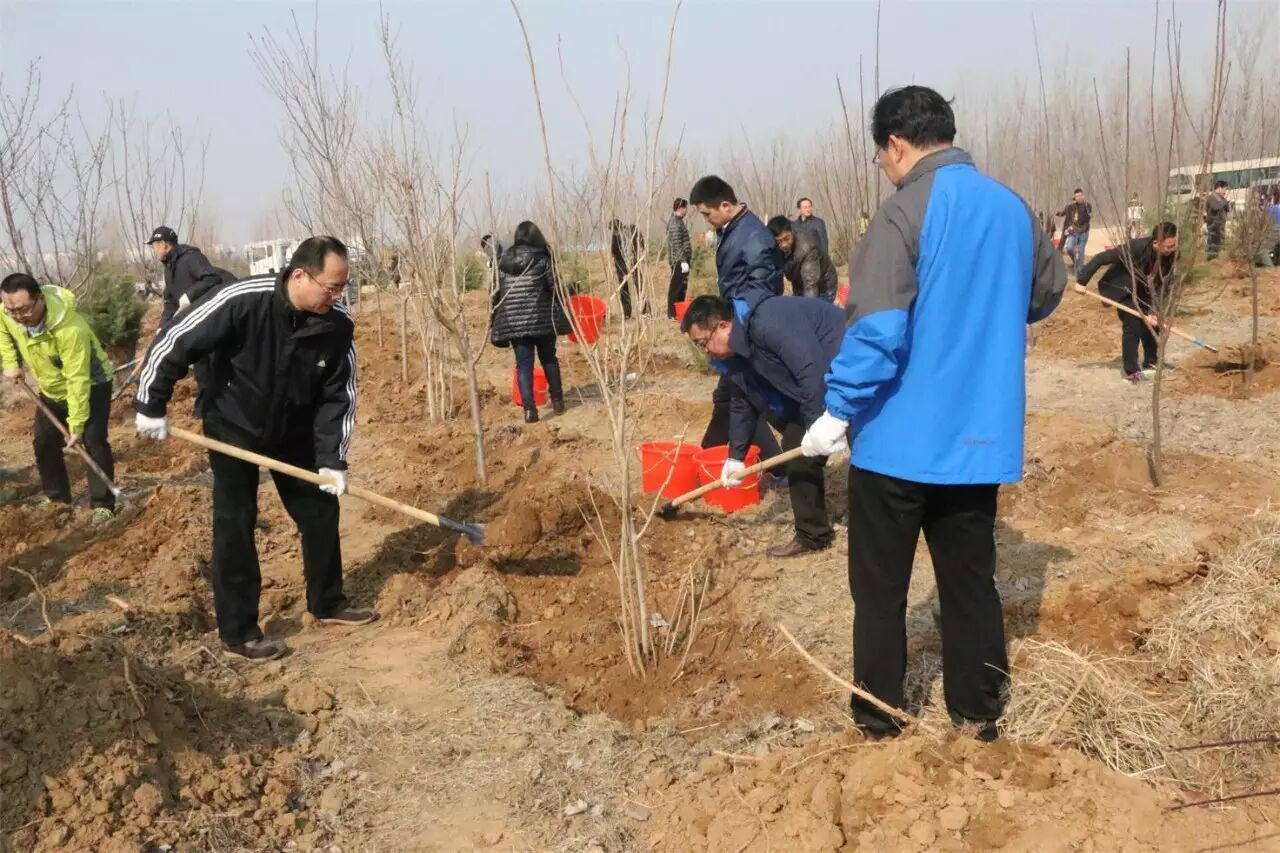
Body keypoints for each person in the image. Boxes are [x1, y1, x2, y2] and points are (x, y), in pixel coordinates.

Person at [800, 86, 1065, 740]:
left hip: (897, 443)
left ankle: (880, 716)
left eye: (880, 156)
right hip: (976, 439)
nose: (885, 168)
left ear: (895, 143)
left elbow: (878, 331)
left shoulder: (900, 215)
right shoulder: (1013, 211)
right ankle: (978, 712)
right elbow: (1048, 291)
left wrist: (837, 412)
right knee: (972, 583)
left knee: (881, 592)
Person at [133, 236, 376, 662]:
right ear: (299, 275)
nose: (338, 297)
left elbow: (339, 395)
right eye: (332, 287)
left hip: (293, 430)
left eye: (343, 288)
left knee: (320, 512)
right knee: (235, 521)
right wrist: (151, 403)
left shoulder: (336, 323)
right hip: (232, 424)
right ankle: (239, 631)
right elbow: (177, 339)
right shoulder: (243, 300)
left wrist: (332, 459)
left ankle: (328, 601)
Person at [682, 293, 844, 557]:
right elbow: (741, 403)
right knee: (795, 445)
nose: (705, 351)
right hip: (812, 386)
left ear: (723, 325)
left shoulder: (769, 320)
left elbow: (810, 368)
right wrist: (736, 457)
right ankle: (813, 535)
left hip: (845, 366)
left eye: (703, 343)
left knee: (866, 450)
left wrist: (817, 423)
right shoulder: (732, 357)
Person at [0, 273, 117, 523]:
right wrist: (11, 362)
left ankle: (103, 503)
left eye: (23, 310)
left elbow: (78, 380)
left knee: (93, 441)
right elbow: (2, 327)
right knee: (43, 442)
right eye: (12, 311)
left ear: (40, 299)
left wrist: (75, 427)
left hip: (91, 383)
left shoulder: (69, 329)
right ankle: (57, 498)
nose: (18, 317)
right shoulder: (8, 313)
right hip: (50, 387)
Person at [689, 175, 786, 459]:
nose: (706, 220)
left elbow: (765, 286)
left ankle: (775, 466)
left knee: (741, 395)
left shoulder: (754, 236)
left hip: (746, 327)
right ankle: (713, 454)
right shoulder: (733, 230)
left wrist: (735, 325)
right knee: (732, 395)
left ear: (726, 205)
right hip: (733, 323)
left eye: (707, 214)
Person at [1076, 222, 1180, 383]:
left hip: (1146, 290)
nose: (1172, 249)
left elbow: (1164, 283)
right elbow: (1101, 258)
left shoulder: (1172, 255)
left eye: (1174, 244)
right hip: (1122, 288)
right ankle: (1131, 371)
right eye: (1168, 246)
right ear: (1155, 243)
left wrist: (1154, 310)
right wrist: (1082, 281)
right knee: (1133, 324)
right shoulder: (1136, 248)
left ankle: (1151, 362)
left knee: (1153, 323)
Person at [490, 221, 572, 423]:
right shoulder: (543, 258)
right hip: (542, 320)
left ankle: (530, 411)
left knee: (523, 366)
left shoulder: (503, 261)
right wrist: (570, 292)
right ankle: (558, 401)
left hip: (514, 323)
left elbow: (496, 293)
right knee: (549, 359)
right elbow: (555, 288)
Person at [146, 226, 236, 324]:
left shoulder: (191, 257)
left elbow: (211, 278)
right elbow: (170, 302)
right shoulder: (169, 269)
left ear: (163, 244)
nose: (154, 250)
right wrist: (162, 327)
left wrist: (189, 297)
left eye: (154, 246)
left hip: (224, 313)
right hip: (199, 320)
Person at [766, 216, 838, 300]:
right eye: (779, 241)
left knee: (815, 310)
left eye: (787, 238)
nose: (784, 245)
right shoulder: (772, 246)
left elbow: (810, 285)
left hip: (822, 286)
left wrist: (808, 310)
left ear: (792, 232)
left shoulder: (808, 247)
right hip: (799, 284)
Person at [609, 219, 646, 319]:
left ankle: (645, 310)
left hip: (633, 263)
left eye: (616, 231)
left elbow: (640, 239)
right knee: (623, 289)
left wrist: (642, 251)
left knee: (640, 284)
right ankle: (627, 314)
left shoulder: (631, 231)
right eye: (614, 232)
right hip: (621, 266)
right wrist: (623, 273)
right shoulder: (614, 239)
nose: (615, 233)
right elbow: (617, 257)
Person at [666, 198, 692, 319]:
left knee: (681, 287)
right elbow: (677, 244)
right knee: (676, 287)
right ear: (680, 208)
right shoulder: (675, 223)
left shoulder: (678, 221)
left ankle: (678, 312)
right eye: (685, 208)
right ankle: (672, 314)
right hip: (678, 261)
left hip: (681, 260)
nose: (686, 210)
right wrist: (682, 261)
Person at [1057, 189, 1092, 269]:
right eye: (1076, 196)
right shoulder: (1072, 206)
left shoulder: (1087, 206)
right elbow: (1064, 213)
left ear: (1083, 196)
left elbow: (1087, 222)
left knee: (1080, 251)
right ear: (1074, 197)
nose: (1079, 198)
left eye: (1080, 196)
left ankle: (1080, 272)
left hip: (1083, 232)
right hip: (1074, 231)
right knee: (1069, 248)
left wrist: (1078, 229)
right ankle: (1076, 263)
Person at [1204, 180, 1231, 261]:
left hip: (1221, 225)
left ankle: (1217, 259)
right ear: (1219, 188)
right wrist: (1224, 201)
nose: (1225, 191)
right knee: (1213, 244)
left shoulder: (1221, 199)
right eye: (1225, 189)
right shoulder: (1211, 197)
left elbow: (1227, 209)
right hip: (1213, 225)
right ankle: (1211, 260)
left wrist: (1225, 202)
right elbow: (1215, 207)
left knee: (1220, 244)